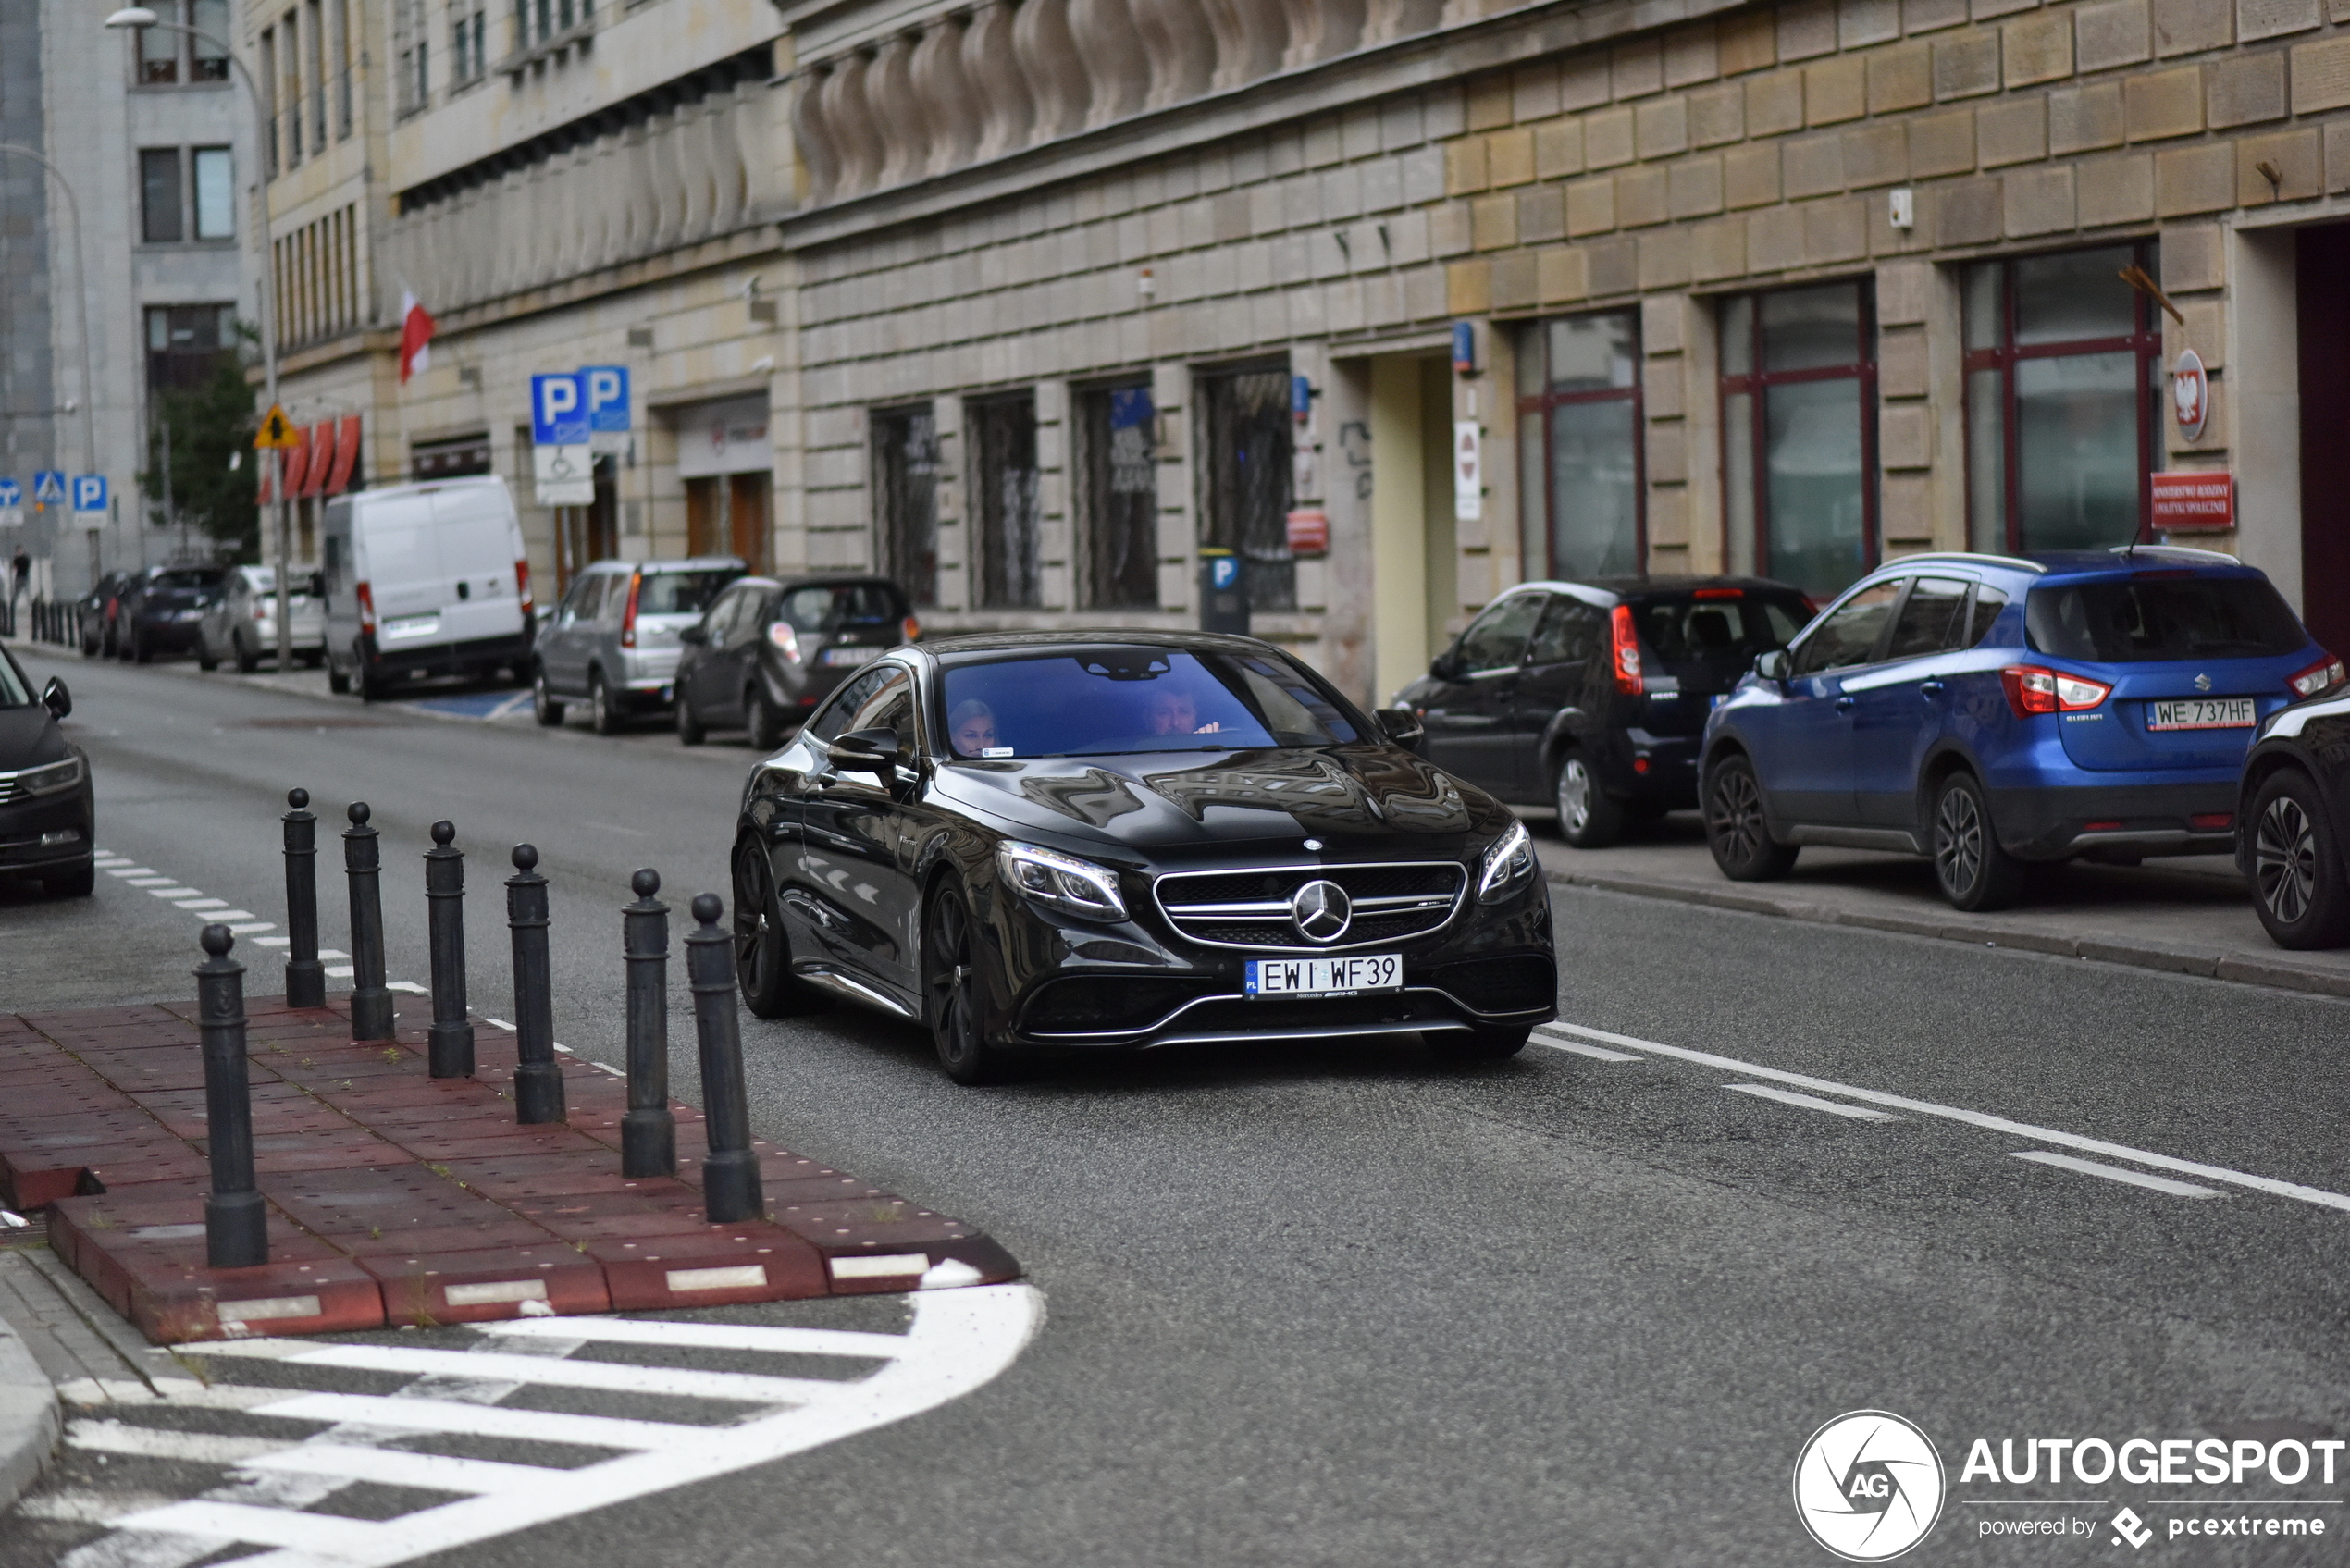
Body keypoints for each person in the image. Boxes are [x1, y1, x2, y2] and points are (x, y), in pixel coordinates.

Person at [1144, 685, 1221, 736]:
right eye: (1164, 713)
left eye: (1184, 712)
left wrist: (1212, 743)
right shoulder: (1134, 757)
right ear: (1147, 718)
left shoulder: (1209, 749)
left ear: (1195, 715)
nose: (1175, 723)